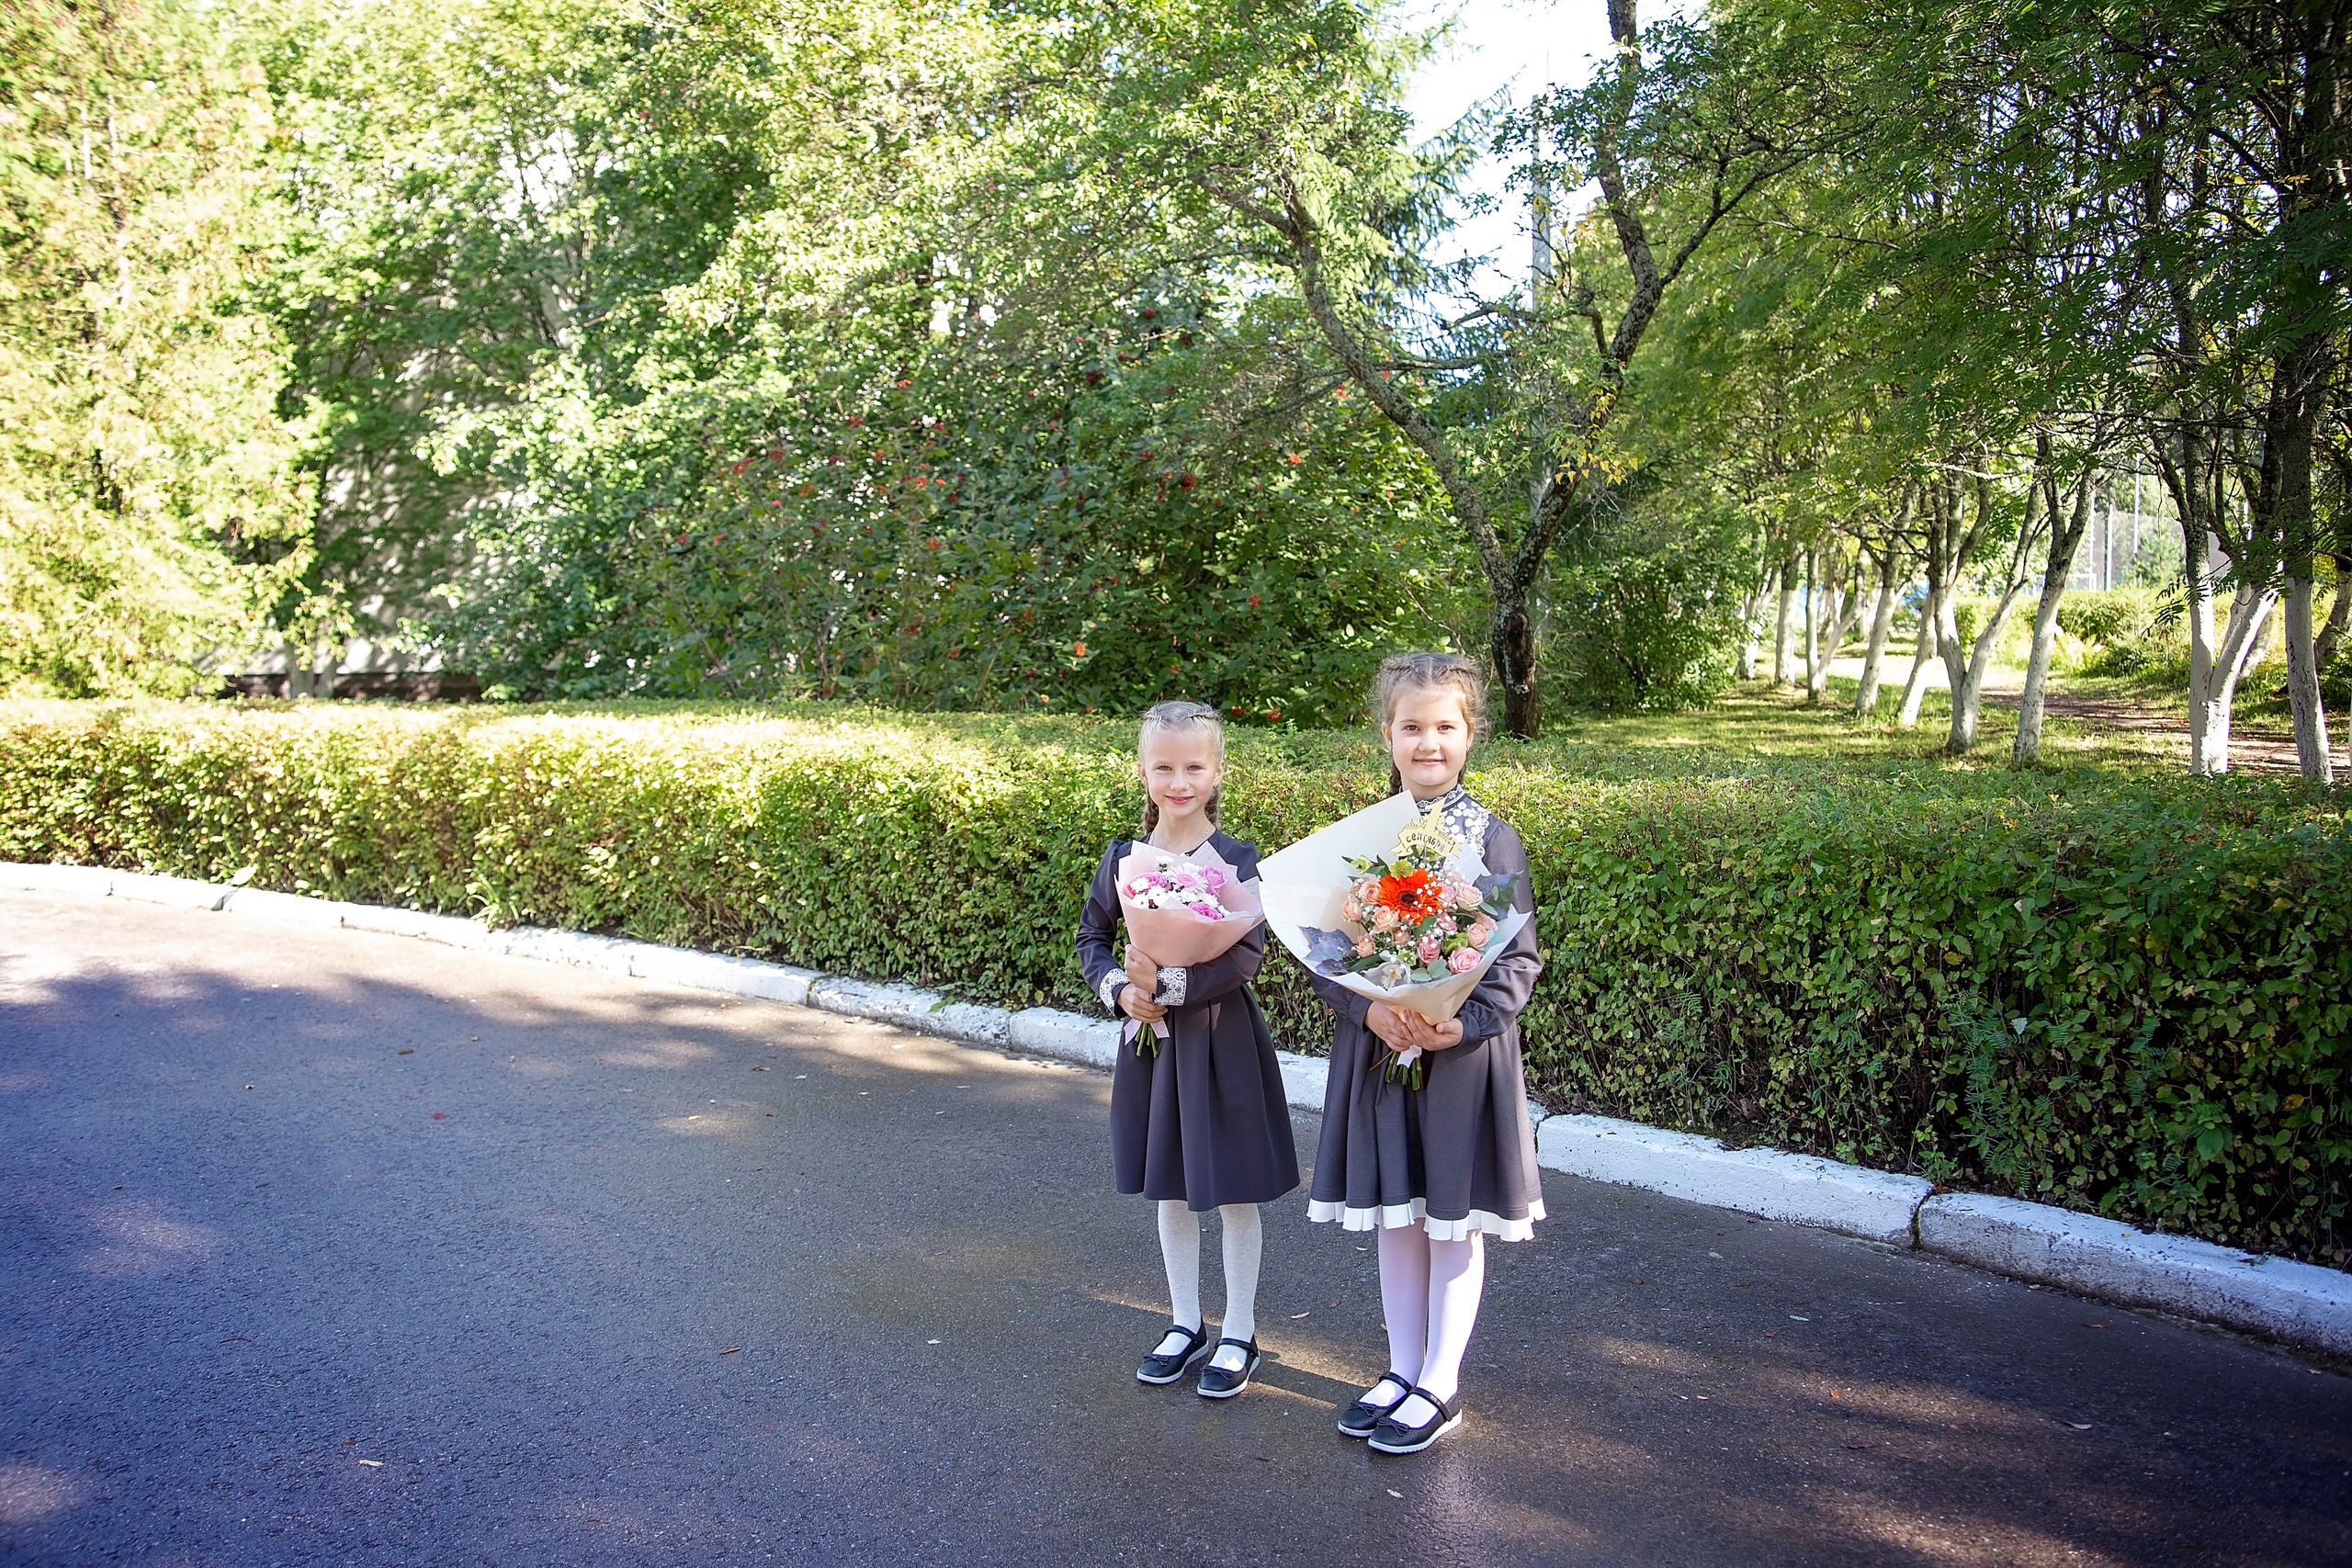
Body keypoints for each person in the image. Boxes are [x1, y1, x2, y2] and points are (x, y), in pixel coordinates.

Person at [1306, 653, 1544, 1454]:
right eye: (1413, 726)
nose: (1429, 741)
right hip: (1382, 1053)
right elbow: (1327, 948)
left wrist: (1463, 1021)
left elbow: (1516, 958)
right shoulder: (1362, 841)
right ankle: (1401, 1366)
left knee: (1451, 1220)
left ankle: (1440, 1381)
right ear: (1388, 734)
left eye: (1446, 725)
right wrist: (1369, 1012)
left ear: (1471, 733)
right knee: (1397, 1217)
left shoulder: (1494, 838)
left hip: (1459, 1060)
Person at [1076, 699, 1300, 1397]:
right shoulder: (1123, 857)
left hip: (1220, 1041)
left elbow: (1245, 958)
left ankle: (1240, 1328)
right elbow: (1092, 938)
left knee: (1232, 1186)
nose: (1179, 781)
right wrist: (1120, 990)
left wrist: (1169, 982)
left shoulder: (1237, 860)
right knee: (1169, 1183)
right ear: (1142, 771)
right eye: (1164, 766)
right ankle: (1183, 1321)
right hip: (1151, 1047)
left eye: (1194, 766)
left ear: (1217, 770)